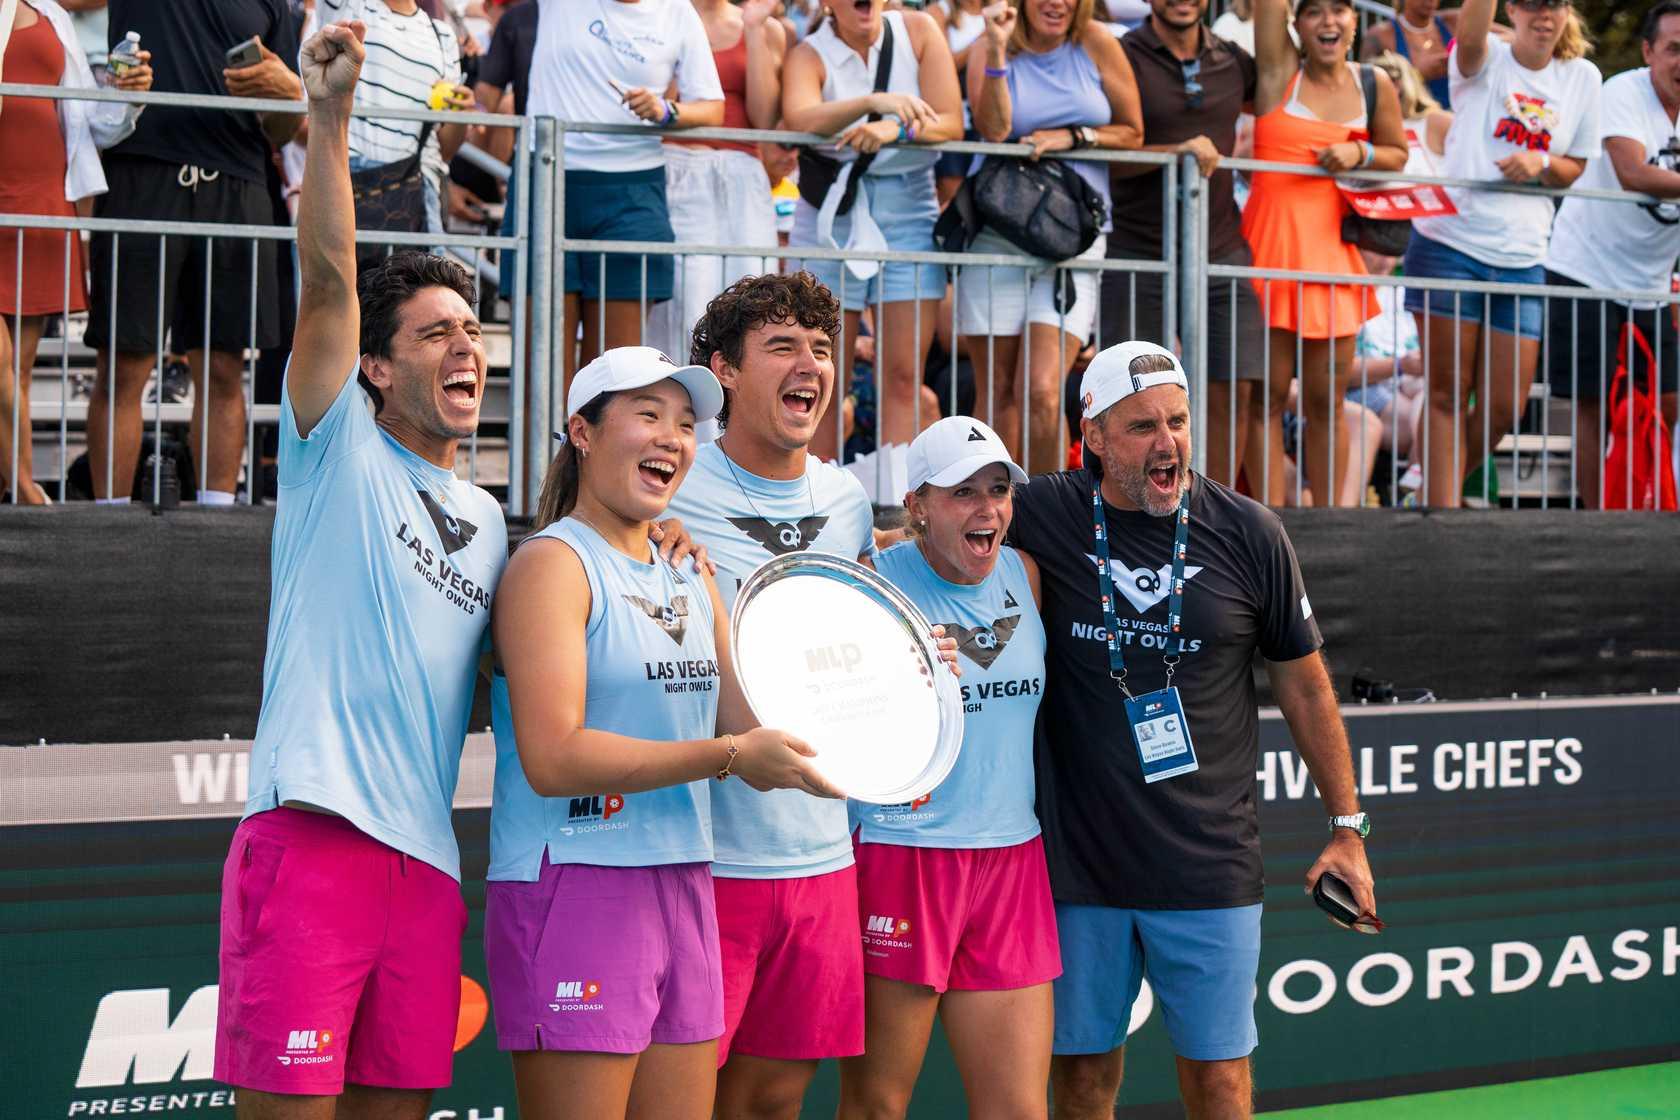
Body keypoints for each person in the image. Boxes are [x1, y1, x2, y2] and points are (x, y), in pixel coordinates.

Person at [212, 21, 508, 1120]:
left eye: (471, 330)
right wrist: (328, 122)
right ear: (376, 367)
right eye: (433, 335)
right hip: (314, 841)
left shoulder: (487, 519)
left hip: (426, 869)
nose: (464, 348)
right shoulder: (335, 441)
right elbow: (332, 278)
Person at [1004, 340, 1376, 1120]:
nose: (1168, 443)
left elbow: (1305, 688)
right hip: (1078, 868)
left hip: (1208, 866)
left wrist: (1347, 828)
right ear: (1093, 436)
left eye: (1177, 422)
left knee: (1219, 1085)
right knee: (1080, 1081)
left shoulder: (1249, 531)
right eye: (1141, 427)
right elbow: (944, 532)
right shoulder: (1042, 511)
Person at [485, 343, 842, 1120]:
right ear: (581, 431)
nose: (673, 438)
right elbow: (554, 756)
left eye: (684, 422)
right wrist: (728, 757)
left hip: (684, 874)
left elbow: (748, 724)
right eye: (647, 414)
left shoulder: (688, 568)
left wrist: (890, 689)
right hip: (576, 879)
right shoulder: (552, 564)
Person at [664, 272, 879, 1120]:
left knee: (773, 1102)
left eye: (822, 349)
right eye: (783, 346)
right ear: (722, 368)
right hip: (705, 855)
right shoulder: (670, 483)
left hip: (821, 854)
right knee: (678, 1101)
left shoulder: (847, 498)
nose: (810, 365)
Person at [838, 417, 1059, 1120]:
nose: (988, 508)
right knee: (877, 1107)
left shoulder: (1024, 574)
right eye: (963, 492)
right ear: (919, 507)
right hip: (905, 855)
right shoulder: (870, 579)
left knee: (1019, 1112)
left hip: (1012, 861)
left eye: (999, 490)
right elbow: (828, 709)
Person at [84, 0, 301, 506]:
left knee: (225, 368)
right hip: (141, 174)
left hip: (238, 183)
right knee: (124, 364)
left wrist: (287, 95)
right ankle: (103, 534)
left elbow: (283, 129)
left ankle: (216, 523)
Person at [1404, 0, 1600, 508]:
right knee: (1447, 392)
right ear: (1510, 9)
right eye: (1532, 4)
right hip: (1449, 242)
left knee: (1504, 407)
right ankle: (1440, 522)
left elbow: (1575, 165)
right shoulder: (1484, 54)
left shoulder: (1583, 76)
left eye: (1553, 4)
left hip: (1524, 254)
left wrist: (1540, 162)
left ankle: (1428, 494)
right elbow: (1468, 32)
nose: (1543, 15)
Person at [961, 0, 1144, 477]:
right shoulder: (989, 44)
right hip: (998, 233)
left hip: (1073, 238)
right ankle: (990, 515)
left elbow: (1132, 131)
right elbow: (994, 128)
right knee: (997, 388)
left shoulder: (1099, 42)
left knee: (1042, 389)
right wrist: (999, 51)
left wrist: (1074, 136)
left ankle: (1045, 516)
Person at [782, 0, 963, 478]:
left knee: (904, 373)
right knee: (818, 374)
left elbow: (950, 120)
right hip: (830, 215)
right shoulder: (808, 52)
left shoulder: (920, 30)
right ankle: (816, 497)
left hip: (910, 210)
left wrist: (895, 127)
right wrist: (870, 104)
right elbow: (798, 119)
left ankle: (895, 502)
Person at [1244, 0, 1406, 506]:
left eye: (1339, 9)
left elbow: (1397, 153)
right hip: (1266, 255)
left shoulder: (1374, 82)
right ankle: (1263, 530)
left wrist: (1361, 152)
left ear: (1355, 21)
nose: (1328, 21)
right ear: (1296, 23)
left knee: (1327, 404)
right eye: (1313, 11)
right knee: (1262, 401)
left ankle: (1329, 526)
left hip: (1334, 263)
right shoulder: (1278, 73)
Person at [1106, 0, 1265, 491]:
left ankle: (1211, 514)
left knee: (1233, 386)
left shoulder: (1235, 60)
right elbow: (1108, 154)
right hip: (1137, 250)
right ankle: (1131, 514)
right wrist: (1176, 154)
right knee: (1131, 397)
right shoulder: (1121, 53)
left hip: (1219, 245)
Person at [525, 0, 724, 377]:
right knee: (544, 371)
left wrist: (666, 111)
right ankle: (547, 440)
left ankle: (602, 439)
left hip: (633, 191)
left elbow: (712, 107)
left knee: (615, 373)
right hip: (549, 179)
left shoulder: (677, 11)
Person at [0, 0, 148, 505]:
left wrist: (126, 94)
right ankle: (21, 485)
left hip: (42, 201)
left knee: (17, 368)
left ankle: (13, 488)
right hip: (8, 202)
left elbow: (93, 121)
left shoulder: (53, 15)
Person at [1543, 0, 1680, 509]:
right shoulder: (1623, 90)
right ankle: (1596, 521)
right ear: (1648, 52)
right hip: (1584, 265)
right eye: (1673, 49)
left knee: (1667, 401)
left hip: (1651, 281)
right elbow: (1633, 172)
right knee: (1593, 404)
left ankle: (1645, 504)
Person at [646, 0, 788, 365]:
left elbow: (764, 118)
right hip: (677, 167)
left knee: (754, 303)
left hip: (743, 173)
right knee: (683, 307)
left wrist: (754, 29)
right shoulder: (658, 16)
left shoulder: (765, 28)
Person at [319, 0, 472, 250]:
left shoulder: (442, 35)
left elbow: (446, 147)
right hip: (346, 179)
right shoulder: (348, 6)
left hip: (418, 189)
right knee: (336, 288)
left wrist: (461, 113)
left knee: (422, 287)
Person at [928, 0, 987, 207]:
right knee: (951, 193)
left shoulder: (999, 8)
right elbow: (941, 66)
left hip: (986, 116)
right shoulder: (939, 11)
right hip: (954, 116)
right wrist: (983, 41)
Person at [1359, 0, 1458, 108]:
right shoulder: (1382, 35)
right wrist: (1417, 75)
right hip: (1409, 119)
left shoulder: (1453, 22)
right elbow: (1366, 91)